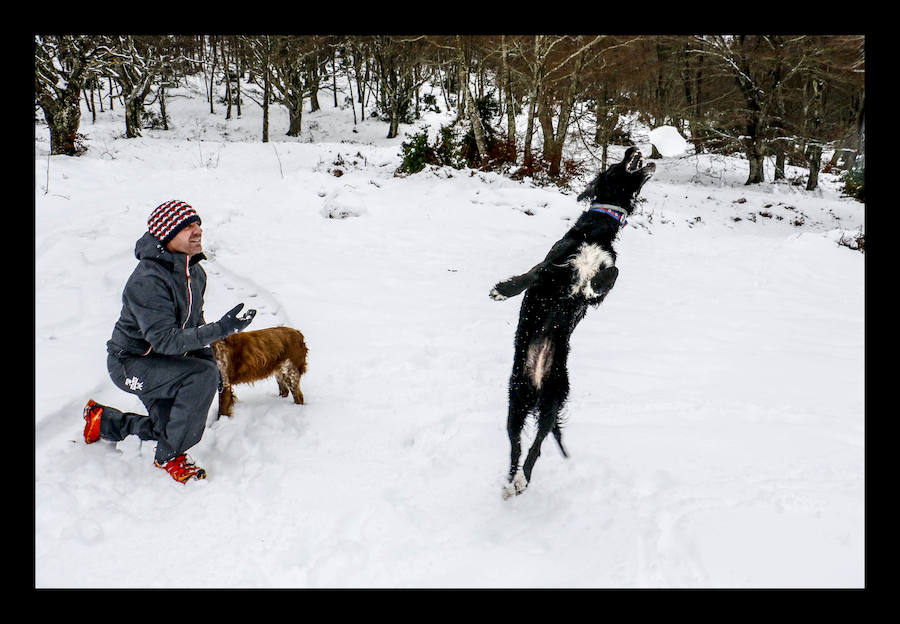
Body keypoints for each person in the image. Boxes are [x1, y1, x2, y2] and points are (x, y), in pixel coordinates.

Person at [83, 200, 256, 484]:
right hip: (132, 362)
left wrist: (208, 359)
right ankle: (170, 455)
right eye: (187, 226)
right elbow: (164, 340)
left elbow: (194, 324)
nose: (197, 230)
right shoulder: (148, 280)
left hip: (164, 361)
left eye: (198, 224)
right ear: (166, 233)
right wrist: (222, 329)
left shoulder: (195, 273)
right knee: (201, 379)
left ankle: (102, 421)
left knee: (173, 423)